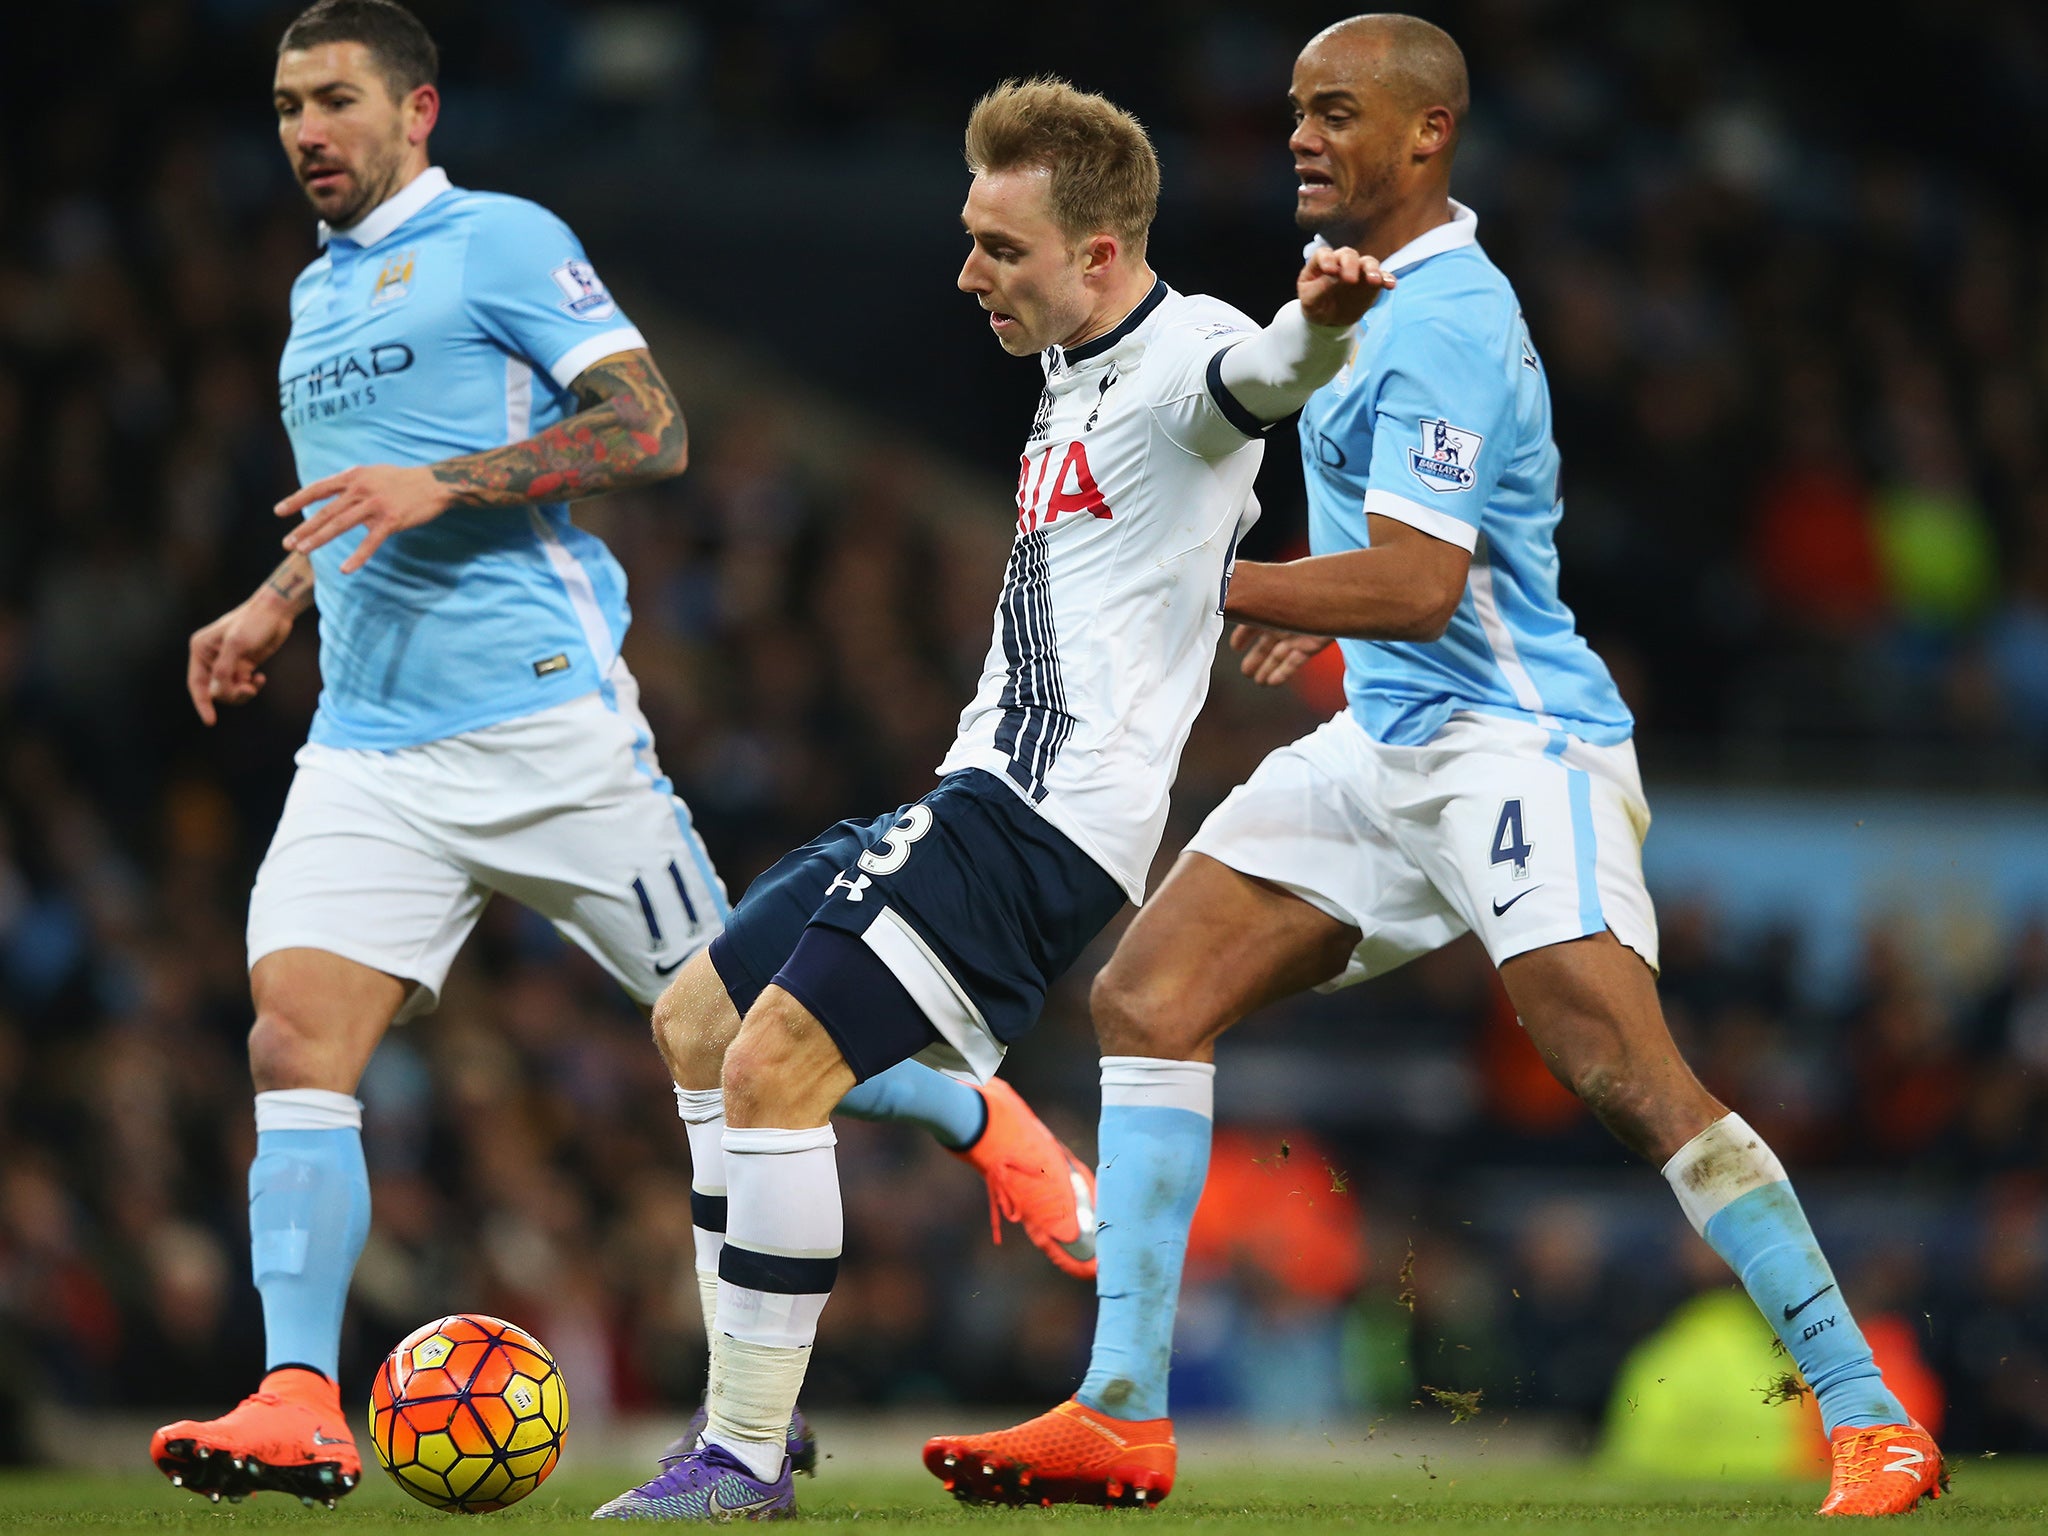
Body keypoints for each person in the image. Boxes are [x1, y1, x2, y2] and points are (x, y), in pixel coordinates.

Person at [923, 15, 1947, 1522]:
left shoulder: (1451, 320)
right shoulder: (1356, 298)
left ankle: (1868, 1418)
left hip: (1517, 744)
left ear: (1427, 137)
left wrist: (1205, 580)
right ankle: (1122, 1415)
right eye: (1293, 110)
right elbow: (1376, 582)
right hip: (1389, 745)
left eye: (1337, 112)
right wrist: (1293, 594)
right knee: (1149, 993)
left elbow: (1415, 584)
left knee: (1619, 1072)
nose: (1301, 136)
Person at [150, 0, 1091, 1507]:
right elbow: (354, 508)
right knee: (290, 1043)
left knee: (741, 1036)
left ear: (419, 112)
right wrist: (268, 603)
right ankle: (296, 1400)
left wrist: (449, 481)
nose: (305, 131)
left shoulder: (505, 242)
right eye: (283, 106)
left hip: (547, 737)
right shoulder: (312, 302)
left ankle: (969, 1113)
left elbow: (652, 429)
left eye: (334, 98)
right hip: (368, 748)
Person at [592, 77, 1391, 1521]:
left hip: (1038, 832)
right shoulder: (1070, 369)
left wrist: (1320, 326)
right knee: (694, 1024)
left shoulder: (1184, 353)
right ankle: (974, 1127)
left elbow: (1258, 380)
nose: (968, 274)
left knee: (774, 1072)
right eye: (970, 239)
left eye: (1000, 249)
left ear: (1099, 252)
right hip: (971, 791)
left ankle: (745, 1454)